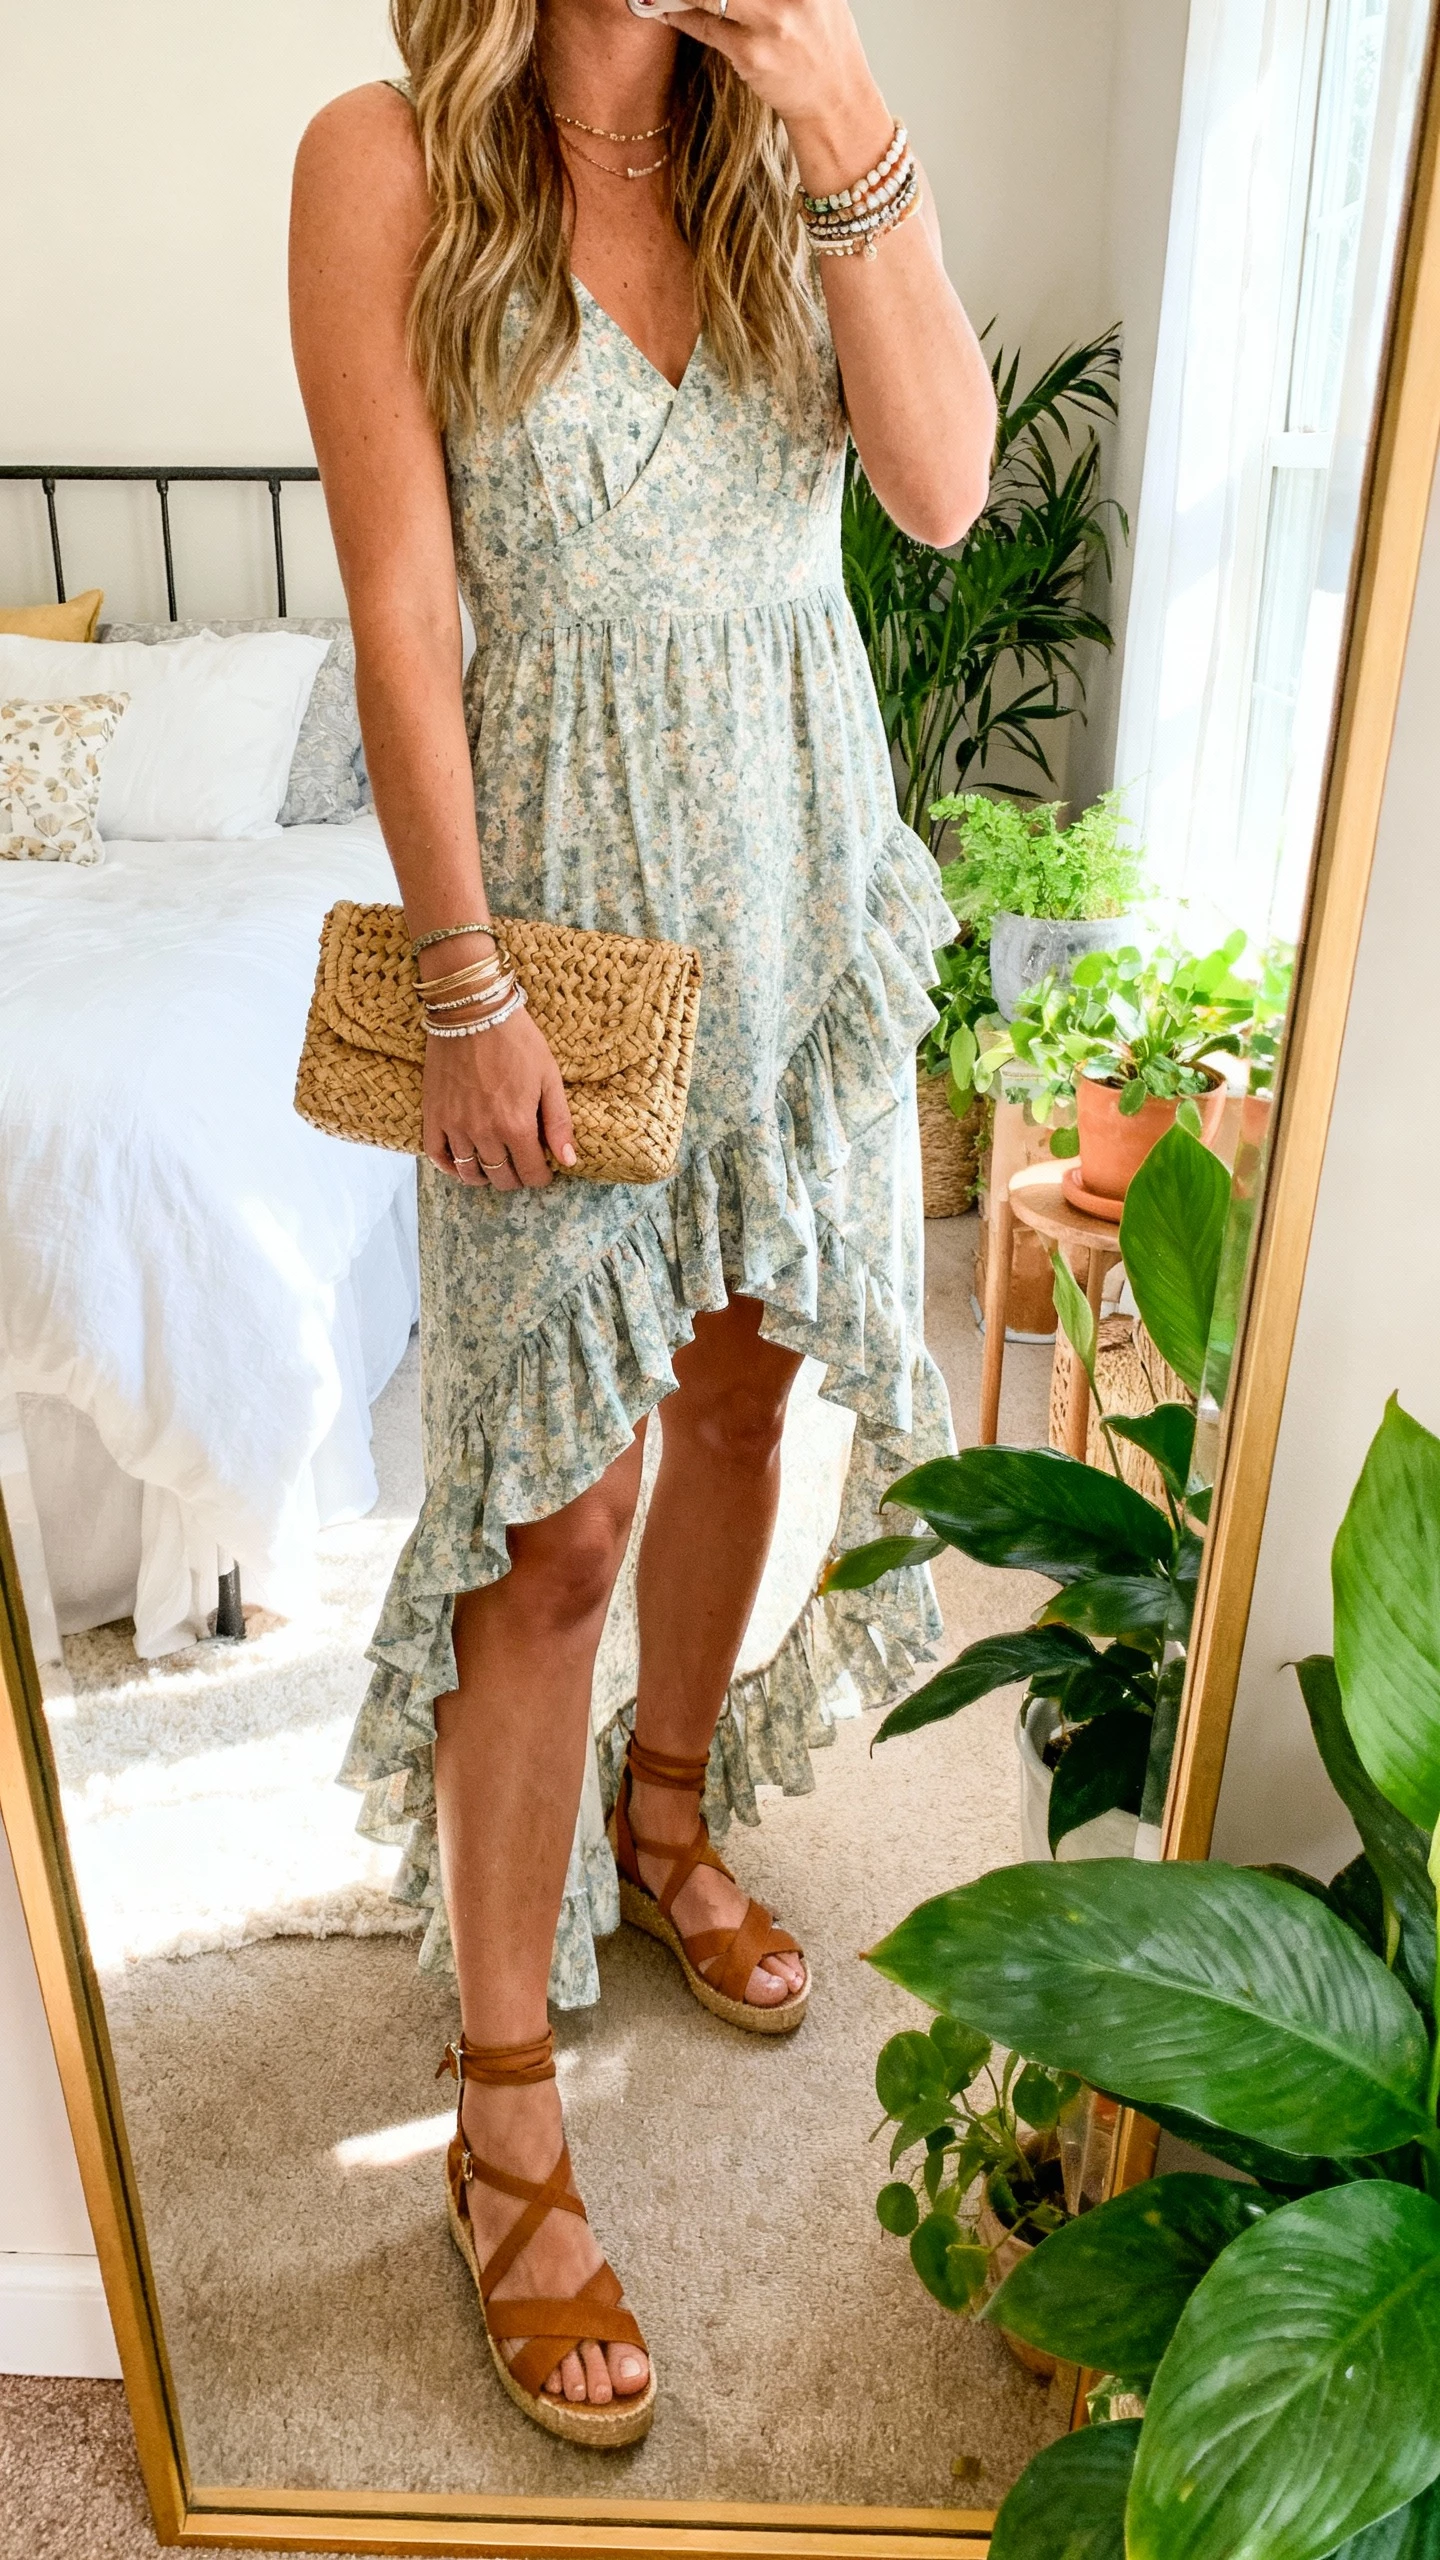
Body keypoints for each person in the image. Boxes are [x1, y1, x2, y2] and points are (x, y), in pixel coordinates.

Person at [290, 0, 994, 2449]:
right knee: (552, 1512)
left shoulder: (791, 138)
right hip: (559, 941)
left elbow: (937, 490)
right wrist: (465, 981)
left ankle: (665, 1811)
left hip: (800, 897)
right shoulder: (390, 155)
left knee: (744, 1387)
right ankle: (500, 2104)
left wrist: (843, 108)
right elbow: (402, 610)